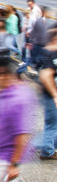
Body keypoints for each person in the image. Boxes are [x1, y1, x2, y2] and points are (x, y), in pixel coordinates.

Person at [0, 53, 36, 181]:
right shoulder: (13, 92)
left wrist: (14, 165)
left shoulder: (17, 100)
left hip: (5, 159)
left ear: (7, 76)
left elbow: (22, 135)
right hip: (3, 155)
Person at [39, 28, 57, 160]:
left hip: (51, 95)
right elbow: (45, 75)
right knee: (52, 124)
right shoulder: (52, 53)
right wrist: (55, 95)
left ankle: (50, 146)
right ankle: (47, 151)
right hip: (51, 95)